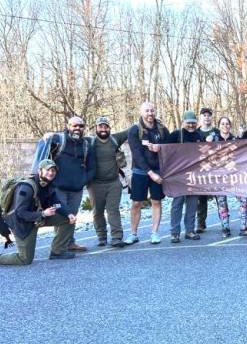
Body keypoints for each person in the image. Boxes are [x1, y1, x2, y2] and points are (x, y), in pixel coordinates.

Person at [0, 159, 78, 264]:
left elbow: (57, 202)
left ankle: (57, 252)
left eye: (53, 170)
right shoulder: (27, 187)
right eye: (48, 170)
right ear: (39, 171)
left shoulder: (49, 184)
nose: (51, 173)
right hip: (21, 222)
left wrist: (69, 213)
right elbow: (20, 213)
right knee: (25, 259)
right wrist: (43, 213)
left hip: (38, 217)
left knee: (68, 219)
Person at [48, 116, 95, 252]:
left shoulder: (86, 145)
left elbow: (92, 167)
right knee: (61, 216)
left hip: (76, 189)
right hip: (58, 188)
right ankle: (59, 246)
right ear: (68, 126)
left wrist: (83, 180)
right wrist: (47, 136)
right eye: (74, 125)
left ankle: (69, 242)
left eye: (80, 126)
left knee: (72, 216)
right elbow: (44, 154)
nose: (77, 128)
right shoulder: (59, 141)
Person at [127, 102, 170, 245]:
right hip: (140, 171)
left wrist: (161, 147)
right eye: (147, 111)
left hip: (158, 170)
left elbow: (170, 147)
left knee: (156, 201)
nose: (150, 113)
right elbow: (137, 154)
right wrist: (150, 173)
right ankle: (133, 233)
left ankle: (154, 233)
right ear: (141, 112)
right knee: (136, 203)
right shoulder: (134, 130)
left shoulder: (162, 129)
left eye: (152, 110)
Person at [87, 116, 128, 248]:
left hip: (113, 183)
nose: (103, 129)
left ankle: (116, 237)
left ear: (109, 128)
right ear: (96, 128)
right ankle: (101, 237)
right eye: (100, 126)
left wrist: (148, 120)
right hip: (95, 184)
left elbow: (131, 130)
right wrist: (50, 136)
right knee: (97, 211)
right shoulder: (89, 141)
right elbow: (70, 137)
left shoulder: (115, 139)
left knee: (113, 211)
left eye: (106, 126)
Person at [212, 116, 247, 237]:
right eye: (222, 124)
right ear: (219, 126)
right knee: (222, 203)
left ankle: (243, 227)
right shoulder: (213, 140)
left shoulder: (235, 139)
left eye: (227, 124)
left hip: (235, 176)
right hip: (219, 176)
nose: (225, 126)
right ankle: (225, 227)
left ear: (230, 125)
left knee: (243, 199)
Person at [167, 111, 203, 243]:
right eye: (188, 123)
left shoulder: (199, 136)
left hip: (194, 175)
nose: (191, 125)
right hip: (178, 175)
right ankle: (175, 233)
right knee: (177, 204)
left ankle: (190, 230)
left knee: (192, 204)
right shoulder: (176, 135)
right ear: (183, 122)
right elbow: (164, 151)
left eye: (193, 123)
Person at [196, 107, 218, 233]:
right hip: (202, 169)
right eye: (204, 115)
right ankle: (201, 223)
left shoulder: (217, 132)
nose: (207, 117)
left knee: (220, 196)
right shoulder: (196, 133)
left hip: (216, 168)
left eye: (209, 115)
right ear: (201, 117)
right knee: (201, 198)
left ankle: (224, 223)